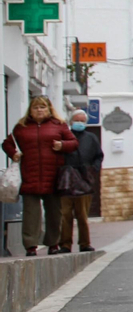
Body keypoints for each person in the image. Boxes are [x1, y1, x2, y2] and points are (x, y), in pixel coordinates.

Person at [3, 96, 74, 256]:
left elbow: (73, 143)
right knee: (30, 214)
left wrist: (62, 145)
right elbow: (7, 143)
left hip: (53, 177)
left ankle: (53, 244)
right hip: (30, 177)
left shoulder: (59, 125)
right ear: (31, 110)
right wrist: (13, 153)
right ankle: (30, 246)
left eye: (42, 107)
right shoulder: (21, 127)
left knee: (54, 213)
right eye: (36, 107)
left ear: (49, 109)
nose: (39, 110)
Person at [58, 110, 102, 251]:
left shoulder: (91, 138)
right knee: (66, 215)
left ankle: (84, 243)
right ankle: (65, 244)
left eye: (82, 121)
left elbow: (98, 156)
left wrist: (93, 169)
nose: (79, 123)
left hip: (84, 180)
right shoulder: (63, 137)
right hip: (66, 180)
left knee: (82, 215)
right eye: (77, 120)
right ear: (71, 122)